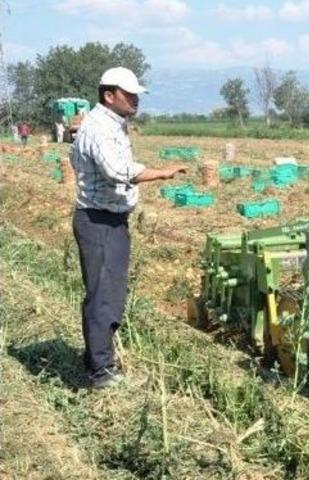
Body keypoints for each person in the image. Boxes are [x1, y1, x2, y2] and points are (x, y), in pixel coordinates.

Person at [70, 67, 187, 389]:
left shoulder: (111, 125)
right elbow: (116, 170)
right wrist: (161, 173)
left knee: (106, 293)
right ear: (109, 95)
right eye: (128, 94)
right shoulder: (99, 129)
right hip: (99, 221)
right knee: (104, 296)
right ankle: (101, 373)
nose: (135, 99)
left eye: (136, 94)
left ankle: (97, 361)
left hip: (108, 219)